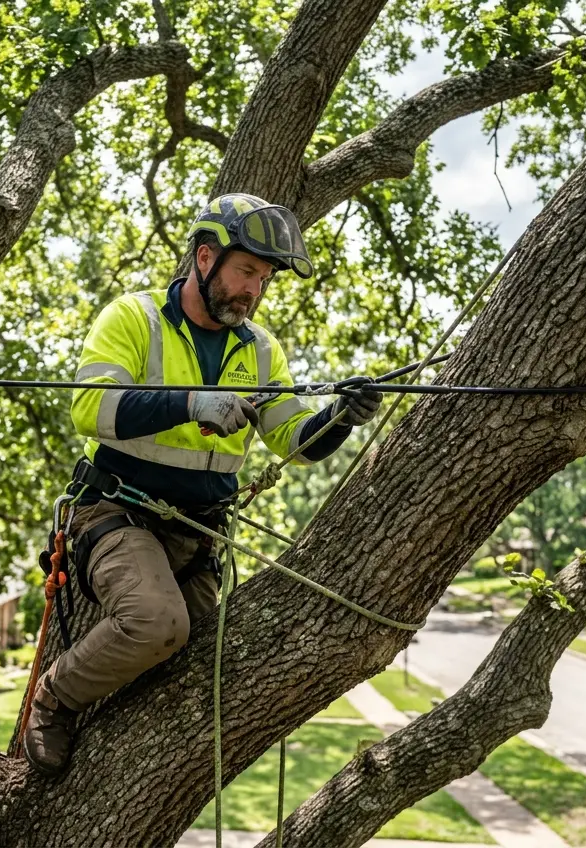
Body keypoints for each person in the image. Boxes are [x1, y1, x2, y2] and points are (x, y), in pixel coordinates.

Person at [23, 193, 381, 774]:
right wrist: (192, 403)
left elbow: (294, 440)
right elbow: (91, 409)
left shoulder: (261, 351)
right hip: (117, 512)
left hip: (196, 535)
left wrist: (340, 416)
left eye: (263, 281)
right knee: (156, 624)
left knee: (195, 659)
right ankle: (55, 695)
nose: (253, 291)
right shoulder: (133, 318)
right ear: (206, 256)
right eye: (246, 272)